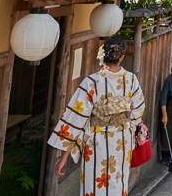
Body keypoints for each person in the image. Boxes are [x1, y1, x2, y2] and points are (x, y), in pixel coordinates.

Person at [50, 35, 146, 195]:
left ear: (103, 55)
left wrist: (64, 158)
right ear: (122, 57)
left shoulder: (92, 82)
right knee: (117, 184)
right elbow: (138, 111)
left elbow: (75, 118)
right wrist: (129, 125)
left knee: (95, 184)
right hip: (122, 140)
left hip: (97, 140)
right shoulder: (131, 80)